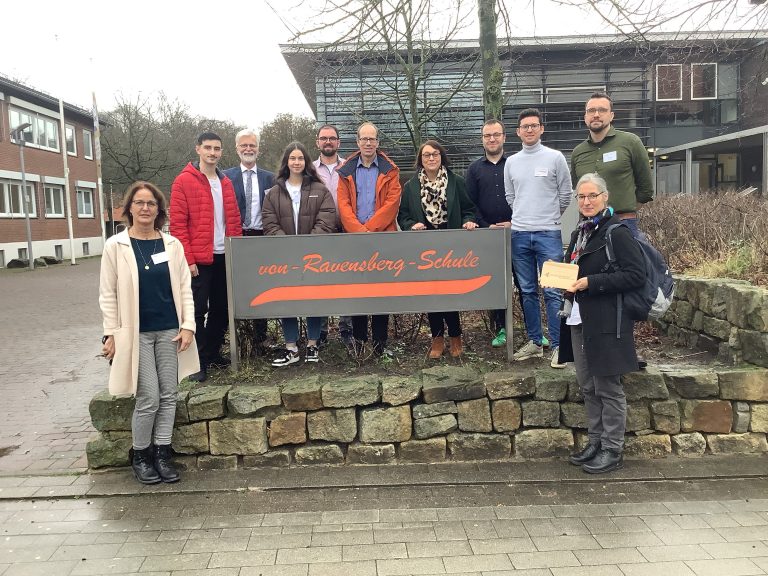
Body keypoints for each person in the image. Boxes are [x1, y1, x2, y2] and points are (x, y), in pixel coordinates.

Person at [99, 181, 199, 485]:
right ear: (129, 208)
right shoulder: (115, 246)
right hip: (136, 333)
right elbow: (107, 294)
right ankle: (140, 455)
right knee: (149, 397)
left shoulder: (171, 244)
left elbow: (184, 288)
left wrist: (189, 326)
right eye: (139, 203)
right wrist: (110, 334)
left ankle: (162, 453)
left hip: (170, 330)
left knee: (169, 394)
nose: (145, 208)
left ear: (159, 209)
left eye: (151, 204)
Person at [558, 173, 645, 474]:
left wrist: (590, 282)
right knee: (588, 385)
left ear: (605, 197)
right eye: (582, 197)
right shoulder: (579, 233)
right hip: (579, 318)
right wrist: (563, 279)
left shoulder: (616, 232)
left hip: (608, 321)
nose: (587, 201)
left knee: (608, 387)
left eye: (592, 195)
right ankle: (595, 442)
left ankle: (612, 449)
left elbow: (636, 275)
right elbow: (574, 270)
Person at [170, 132, 242, 382]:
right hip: (199, 259)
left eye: (217, 148)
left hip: (225, 255)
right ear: (198, 149)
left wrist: (237, 252)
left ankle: (211, 353)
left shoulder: (225, 182)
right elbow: (178, 225)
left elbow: (233, 220)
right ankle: (196, 361)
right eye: (208, 148)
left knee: (222, 308)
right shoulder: (184, 181)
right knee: (198, 310)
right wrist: (188, 259)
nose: (213, 153)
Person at [504, 108, 572, 368]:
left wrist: (549, 218)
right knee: (527, 290)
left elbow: (565, 195)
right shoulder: (511, 162)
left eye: (534, 125)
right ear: (518, 132)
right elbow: (512, 198)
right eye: (525, 126)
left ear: (541, 129)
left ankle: (558, 346)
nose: (529, 130)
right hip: (520, 234)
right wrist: (525, 217)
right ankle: (535, 341)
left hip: (549, 234)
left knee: (554, 291)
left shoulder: (555, 158)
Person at [398, 140, 477, 358]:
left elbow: (469, 208)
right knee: (431, 293)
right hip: (425, 248)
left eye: (435, 154)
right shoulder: (411, 186)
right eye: (426, 155)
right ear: (420, 160)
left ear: (441, 156)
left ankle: (456, 337)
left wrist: (468, 221)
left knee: (449, 292)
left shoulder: (456, 181)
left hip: (451, 246)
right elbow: (403, 216)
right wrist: (410, 225)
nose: (431, 158)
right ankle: (437, 340)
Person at [262, 142, 337, 366]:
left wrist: (308, 246)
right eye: (292, 158)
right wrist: (287, 246)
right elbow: (269, 222)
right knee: (288, 301)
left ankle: (313, 345)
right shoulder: (274, 192)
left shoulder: (319, 189)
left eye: (300, 158)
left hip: (313, 258)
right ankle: (291, 348)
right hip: (285, 258)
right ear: (286, 162)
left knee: (313, 299)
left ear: (306, 162)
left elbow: (327, 219)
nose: (296, 162)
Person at [337, 121, 402, 357]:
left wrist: (369, 230)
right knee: (358, 292)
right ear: (357, 142)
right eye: (364, 139)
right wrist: (358, 231)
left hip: (382, 239)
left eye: (372, 139)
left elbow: (391, 204)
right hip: (354, 241)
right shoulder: (346, 171)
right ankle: (360, 342)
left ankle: (380, 344)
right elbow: (343, 205)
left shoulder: (389, 169)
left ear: (378, 142)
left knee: (381, 293)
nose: (368, 143)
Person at [465, 119, 529, 349]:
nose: (491, 139)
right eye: (487, 136)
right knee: (497, 285)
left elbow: (525, 197)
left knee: (525, 283)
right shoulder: (474, 170)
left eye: (496, 135)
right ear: (482, 140)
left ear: (504, 137)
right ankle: (501, 328)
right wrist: (485, 226)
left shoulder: (516, 164)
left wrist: (514, 222)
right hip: (490, 237)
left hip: (518, 232)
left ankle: (533, 329)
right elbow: (470, 204)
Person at [570, 91, 654, 240]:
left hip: (623, 224)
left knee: (627, 263)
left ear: (611, 115)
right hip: (589, 226)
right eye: (591, 111)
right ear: (585, 117)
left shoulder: (631, 142)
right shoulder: (578, 152)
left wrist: (625, 211)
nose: (596, 114)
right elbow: (579, 192)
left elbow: (646, 189)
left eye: (602, 110)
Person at [223, 129, 274, 354]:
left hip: (261, 238)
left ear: (258, 149)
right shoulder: (225, 177)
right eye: (244, 145)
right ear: (236, 149)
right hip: (236, 237)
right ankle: (236, 338)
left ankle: (260, 339)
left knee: (260, 288)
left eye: (252, 145)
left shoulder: (269, 178)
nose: (248, 149)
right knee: (235, 288)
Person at [312, 124, 352, 346]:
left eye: (332, 138)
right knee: (322, 283)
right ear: (317, 142)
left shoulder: (349, 167)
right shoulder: (309, 169)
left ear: (339, 142)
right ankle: (322, 331)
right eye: (324, 138)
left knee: (346, 282)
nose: (328, 142)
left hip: (346, 232)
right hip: (320, 233)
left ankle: (347, 329)